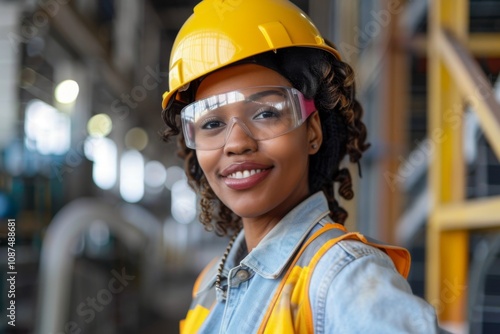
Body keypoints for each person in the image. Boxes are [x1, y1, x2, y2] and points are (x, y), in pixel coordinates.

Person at [161, 0, 443, 332]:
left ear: (312, 132)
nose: (236, 143)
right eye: (211, 124)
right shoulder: (210, 285)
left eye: (266, 113)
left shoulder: (342, 278)